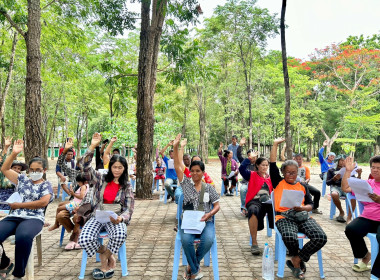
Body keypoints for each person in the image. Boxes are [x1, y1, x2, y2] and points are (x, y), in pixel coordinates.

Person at [78, 133, 134, 280]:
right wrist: (92, 147)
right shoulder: (99, 178)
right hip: (97, 215)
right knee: (84, 239)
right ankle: (107, 256)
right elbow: (84, 167)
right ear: (110, 167)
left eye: (120, 167)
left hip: (115, 217)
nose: (117, 170)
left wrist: (121, 218)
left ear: (124, 169)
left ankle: (104, 263)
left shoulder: (126, 185)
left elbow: (129, 208)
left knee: (120, 234)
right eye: (114, 167)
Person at [270, 138, 327, 279]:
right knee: (289, 237)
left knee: (321, 237)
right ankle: (297, 262)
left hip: (302, 215)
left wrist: (303, 208)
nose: (291, 175)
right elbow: (272, 164)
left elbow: (311, 205)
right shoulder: (278, 182)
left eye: (294, 172)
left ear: (297, 172)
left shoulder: (302, 185)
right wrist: (275, 145)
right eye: (288, 172)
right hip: (284, 217)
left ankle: (297, 259)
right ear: (283, 172)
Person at [0, 139, 53, 280]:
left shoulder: (46, 185)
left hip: (34, 218)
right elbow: (4, 169)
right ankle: (4, 263)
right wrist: (14, 153)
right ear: (28, 170)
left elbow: (43, 202)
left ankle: (18, 274)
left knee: (23, 237)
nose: (34, 172)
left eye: (38, 170)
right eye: (32, 170)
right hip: (15, 216)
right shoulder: (22, 180)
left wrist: (20, 205)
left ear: (44, 171)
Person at [173, 133, 220, 280]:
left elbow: (217, 205)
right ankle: (195, 270)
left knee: (208, 239)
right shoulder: (186, 185)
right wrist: (176, 147)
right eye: (192, 171)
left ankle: (191, 267)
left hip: (206, 220)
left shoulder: (209, 188)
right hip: (188, 221)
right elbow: (177, 166)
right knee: (186, 240)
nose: (194, 173)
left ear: (203, 173)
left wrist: (209, 214)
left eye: (198, 171)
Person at [344, 156, 380, 277]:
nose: (375, 170)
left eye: (379, 168)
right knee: (351, 229)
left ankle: (376, 273)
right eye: (373, 167)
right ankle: (365, 255)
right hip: (368, 218)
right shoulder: (368, 183)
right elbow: (345, 188)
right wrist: (348, 171)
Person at [239, 153, 273, 255]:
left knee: (279, 211)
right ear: (257, 165)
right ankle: (254, 242)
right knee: (253, 211)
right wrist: (249, 158)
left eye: (267, 165)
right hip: (254, 201)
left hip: (267, 201)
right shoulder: (252, 175)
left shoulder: (269, 177)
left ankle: (284, 241)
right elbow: (241, 169)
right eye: (263, 165)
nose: (265, 167)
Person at [48, 173, 89, 250]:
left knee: (59, 209)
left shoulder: (83, 186)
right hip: (73, 202)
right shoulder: (81, 185)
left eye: (79, 182)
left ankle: (57, 224)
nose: (78, 184)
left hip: (76, 204)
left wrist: (73, 194)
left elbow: (81, 196)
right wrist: (64, 184)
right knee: (60, 206)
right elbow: (69, 193)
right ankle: (75, 231)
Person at [326, 154, 361, 223]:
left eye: (345, 161)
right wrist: (334, 179)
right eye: (341, 160)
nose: (343, 162)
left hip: (347, 188)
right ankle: (341, 211)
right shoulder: (331, 170)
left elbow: (356, 182)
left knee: (353, 196)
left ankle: (349, 217)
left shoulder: (349, 170)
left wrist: (359, 174)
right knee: (334, 194)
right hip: (336, 187)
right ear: (338, 161)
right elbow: (327, 183)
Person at [237, 137, 257, 216]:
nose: (251, 158)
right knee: (243, 189)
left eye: (253, 156)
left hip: (256, 183)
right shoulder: (245, 162)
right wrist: (240, 145)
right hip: (246, 183)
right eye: (250, 156)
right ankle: (244, 207)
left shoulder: (259, 163)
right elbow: (238, 155)